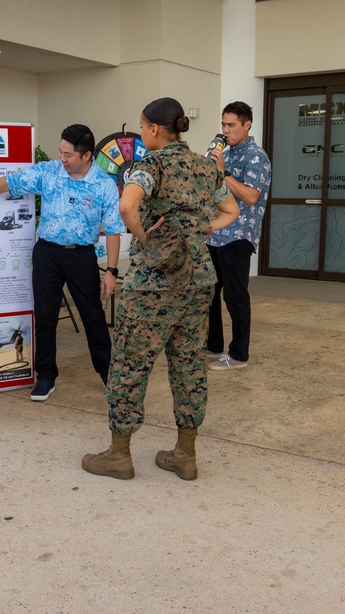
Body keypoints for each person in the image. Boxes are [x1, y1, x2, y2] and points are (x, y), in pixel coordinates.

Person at [82, 97, 240, 481]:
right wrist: (203, 230)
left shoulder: (150, 165)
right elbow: (231, 212)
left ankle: (119, 455)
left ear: (154, 128)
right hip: (197, 281)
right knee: (189, 366)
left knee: (130, 365)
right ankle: (185, 454)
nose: (140, 133)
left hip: (152, 284)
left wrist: (144, 238)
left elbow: (126, 207)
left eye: (141, 126)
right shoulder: (206, 167)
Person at [0, 124, 123, 401]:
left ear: (87, 155)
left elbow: (113, 230)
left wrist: (111, 271)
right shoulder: (49, 172)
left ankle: (108, 375)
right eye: (61, 152)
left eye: (68, 155)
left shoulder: (104, 184)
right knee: (45, 316)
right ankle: (46, 376)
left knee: (94, 318)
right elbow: (8, 182)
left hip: (81, 256)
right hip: (47, 254)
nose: (62, 159)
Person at [205, 101, 271, 372]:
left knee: (235, 296)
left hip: (238, 235)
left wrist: (225, 174)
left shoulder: (256, 156)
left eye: (231, 125)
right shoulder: (225, 153)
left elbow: (251, 196)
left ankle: (239, 355)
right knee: (209, 292)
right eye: (223, 124)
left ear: (247, 125)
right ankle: (213, 345)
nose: (226, 130)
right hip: (214, 233)